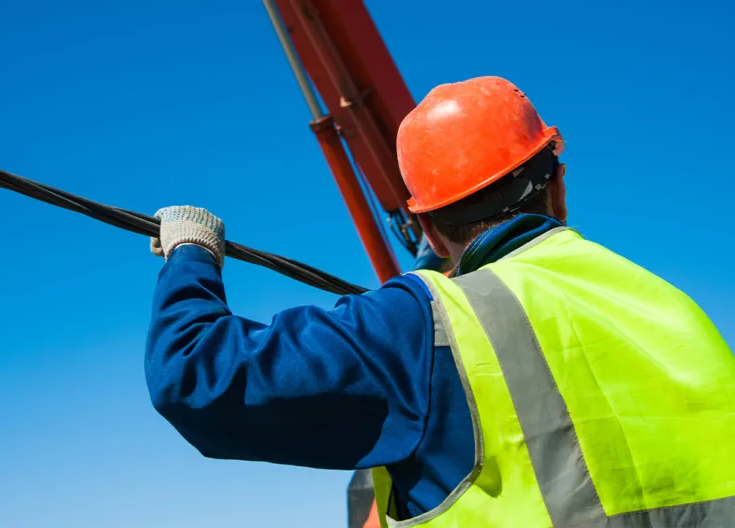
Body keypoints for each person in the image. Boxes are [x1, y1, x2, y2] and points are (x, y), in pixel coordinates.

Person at [145, 76, 735, 527]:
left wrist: (191, 253)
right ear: (557, 182)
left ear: (427, 229)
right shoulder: (672, 307)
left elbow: (198, 374)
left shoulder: (422, 322)